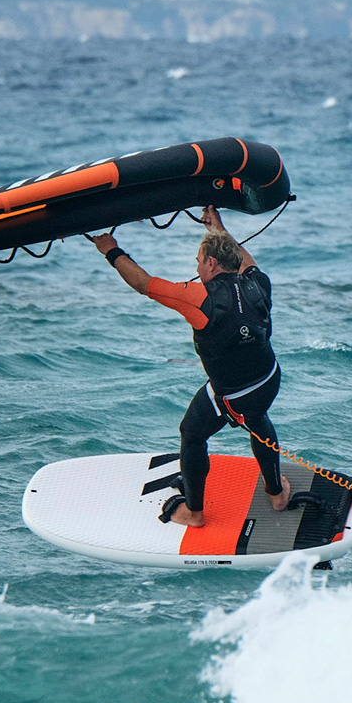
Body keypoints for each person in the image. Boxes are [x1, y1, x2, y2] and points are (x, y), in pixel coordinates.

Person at [92, 206, 290, 528]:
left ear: (211, 263)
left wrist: (110, 250)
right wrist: (219, 229)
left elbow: (143, 283)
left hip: (232, 395)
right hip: (269, 379)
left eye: (199, 261)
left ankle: (194, 513)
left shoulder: (198, 297)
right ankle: (276, 493)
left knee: (192, 434)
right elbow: (243, 260)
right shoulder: (259, 281)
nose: (197, 267)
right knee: (257, 417)